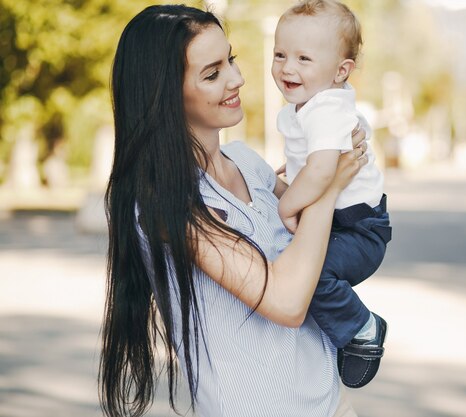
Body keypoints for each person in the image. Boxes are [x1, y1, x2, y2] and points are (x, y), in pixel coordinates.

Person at [98, 4, 369, 417]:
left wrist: (328, 157)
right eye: (212, 73)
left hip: (333, 405)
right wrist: (328, 187)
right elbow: (286, 301)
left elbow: (316, 241)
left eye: (232, 60)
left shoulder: (248, 162)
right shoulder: (163, 205)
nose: (237, 79)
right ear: (164, 93)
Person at [271, 0, 392, 388]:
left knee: (315, 274)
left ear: (341, 71)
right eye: (280, 54)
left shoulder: (326, 108)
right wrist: (292, 169)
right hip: (341, 223)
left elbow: (323, 170)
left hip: (358, 230)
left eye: (304, 58)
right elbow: (312, 161)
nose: (288, 67)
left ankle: (363, 327)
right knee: (305, 269)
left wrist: (288, 201)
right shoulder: (308, 107)